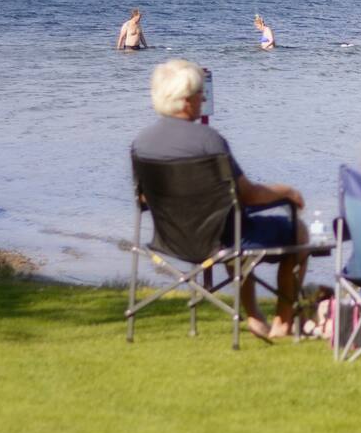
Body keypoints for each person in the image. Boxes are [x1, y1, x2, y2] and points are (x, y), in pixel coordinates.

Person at [132, 59, 308, 340]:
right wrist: (287, 192)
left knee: (230, 226)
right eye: (200, 93)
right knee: (297, 231)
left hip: (171, 239)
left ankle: (253, 316)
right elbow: (248, 195)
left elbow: (143, 198)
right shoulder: (209, 141)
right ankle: (283, 322)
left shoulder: (142, 143)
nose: (203, 97)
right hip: (220, 239)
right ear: (186, 100)